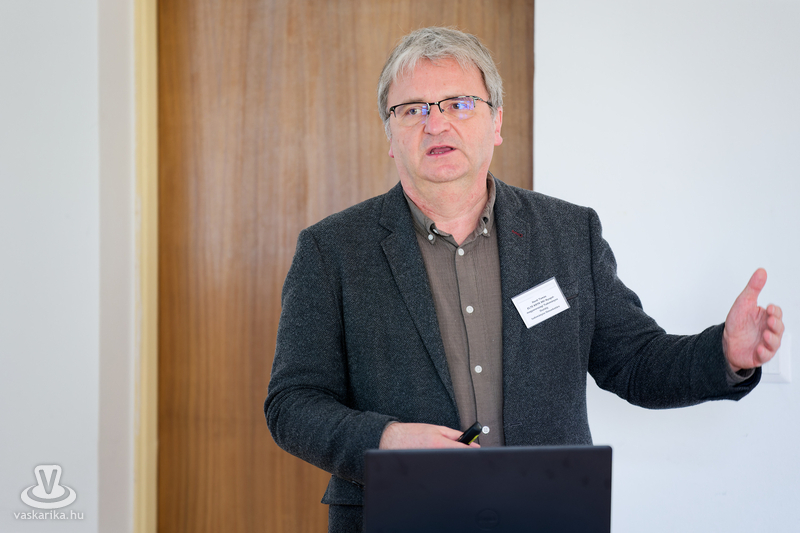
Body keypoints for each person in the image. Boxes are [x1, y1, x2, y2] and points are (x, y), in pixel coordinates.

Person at [265, 27, 784, 532]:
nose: (436, 124)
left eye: (458, 104)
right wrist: (386, 439)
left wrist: (724, 353)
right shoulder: (332, 250)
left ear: (495, 122)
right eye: (413, 109)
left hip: (548, 512)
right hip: (397, 515)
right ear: (390, 135)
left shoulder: (569, 233)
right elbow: (292, 403)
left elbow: (635, 361)